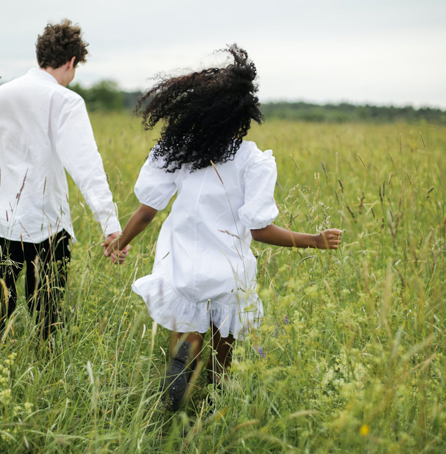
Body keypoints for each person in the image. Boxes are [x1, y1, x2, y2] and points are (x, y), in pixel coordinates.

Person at [105, 45, 342, 411]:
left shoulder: (182, 156)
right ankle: (214, 405)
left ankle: (178, 385)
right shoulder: (251, 160)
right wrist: (313, 240)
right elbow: (260, 229)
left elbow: (148, 211)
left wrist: (121, 241)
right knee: (222, 361)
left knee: (185, 340)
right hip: (229, 275)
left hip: (183, 269)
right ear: (241, 116)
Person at [0, 20, 127, 376]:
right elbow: (87, 167)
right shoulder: (65, 101)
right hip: (46, 225)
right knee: (48, 315)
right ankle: (46, 379)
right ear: (71, 62)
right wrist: (110, 225)